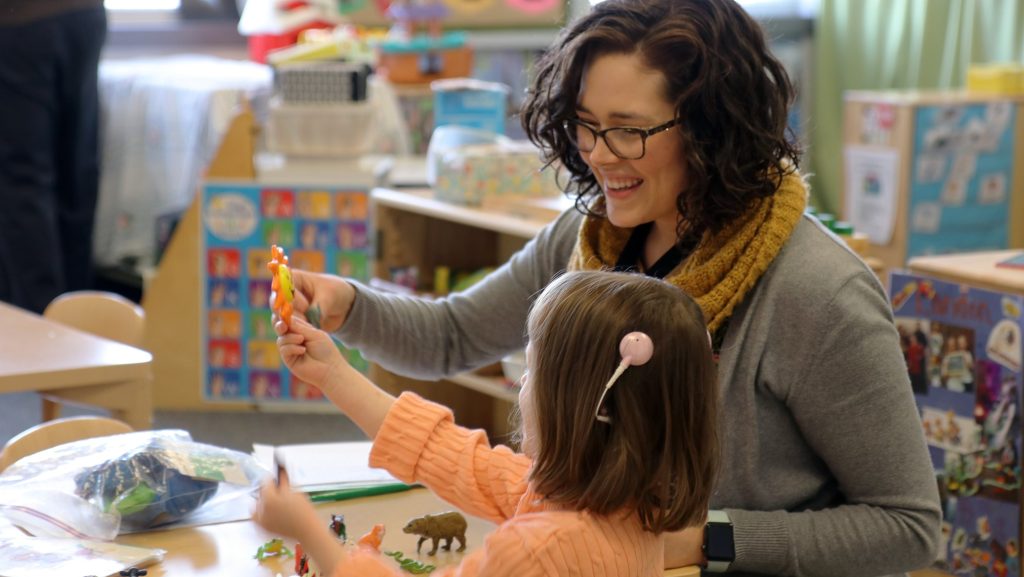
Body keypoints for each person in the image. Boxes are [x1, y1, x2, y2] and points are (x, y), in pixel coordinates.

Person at [275, 0, 941, 574]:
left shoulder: (817, 292)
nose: (595, 153)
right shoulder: (590, 235)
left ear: (710, 128)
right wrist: (348, 306)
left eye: (626, 129)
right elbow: (453, 336)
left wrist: (711, 538)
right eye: (584, 123)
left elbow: (908, 524)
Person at [255, 270, 720, 576]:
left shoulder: (539, 552)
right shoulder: (618, 504)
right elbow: (451, 454)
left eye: (533, 369)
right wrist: (333, 374)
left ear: (581, 405)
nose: (521, 383)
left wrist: (313, 536)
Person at [0, 0, 108, 313]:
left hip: (19, 20)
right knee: (76, 175)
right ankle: (76, 320)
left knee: (23, 183)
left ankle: (46, 334)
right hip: (82, 14)